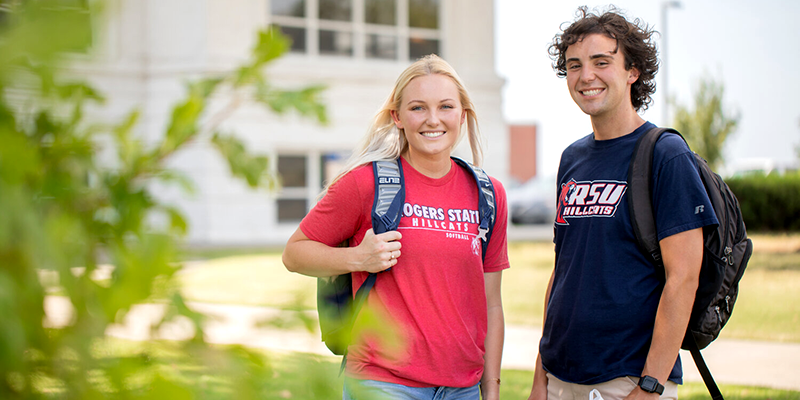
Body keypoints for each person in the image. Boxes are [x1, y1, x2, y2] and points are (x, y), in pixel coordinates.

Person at [283, 54, 509, 400]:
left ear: (462, 115)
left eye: (446, 106)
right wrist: (358, 259)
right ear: (397, 117)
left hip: (462, 388)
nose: (433, 120)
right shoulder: (365, 184)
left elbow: (491, 303)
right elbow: (295, 253)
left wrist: (490, 388)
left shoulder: (488, 194)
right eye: (418, 108)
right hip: (383, 383)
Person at [528, 7, 719, 400]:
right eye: (574, 65)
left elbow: (683, 279)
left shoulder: (666, 154)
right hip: (562, 378)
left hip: (628, 381)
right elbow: (564, 272)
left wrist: (650, 387)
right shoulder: (571, 159)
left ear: (632, 71)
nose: (586, 76)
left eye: (602, 62)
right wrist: (540, 376)